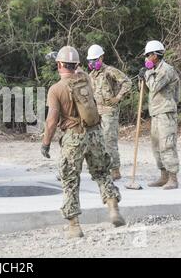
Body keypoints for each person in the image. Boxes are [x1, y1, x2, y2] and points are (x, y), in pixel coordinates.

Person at [41, 46, 125, 238]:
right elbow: (78, 71)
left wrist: (45, 143)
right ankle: (113, 209)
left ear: (59, 65)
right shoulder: (86, 79)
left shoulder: (56, 89)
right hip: (95, 133)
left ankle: (74, 226)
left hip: (73, 136)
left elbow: (52, 120)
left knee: (70, 180)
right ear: (77, 64)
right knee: (102, 172)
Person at [139, 40, 181, 190]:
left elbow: (155, 86)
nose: (147, 58)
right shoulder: (155, 70)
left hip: (166, 112)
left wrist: (148, 72)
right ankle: (163, 176)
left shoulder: (166, 70)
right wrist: (142, 77)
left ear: (156, 55)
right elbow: (146, 89)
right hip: (156, 112)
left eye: (148, 55)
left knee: (167, 145)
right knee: (156, 146)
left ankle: (173, 178)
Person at [87, 45, 132, 180]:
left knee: (109, 140)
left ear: (101, 57)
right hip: (97, 111)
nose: (92, 63)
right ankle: (102, 168)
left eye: (95, 59)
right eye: (90, 60)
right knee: (96, 141)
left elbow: (127, 82)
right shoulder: (91, 76)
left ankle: (115, 170)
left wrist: (118, 97)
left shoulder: (109, 71)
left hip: (109, 111)